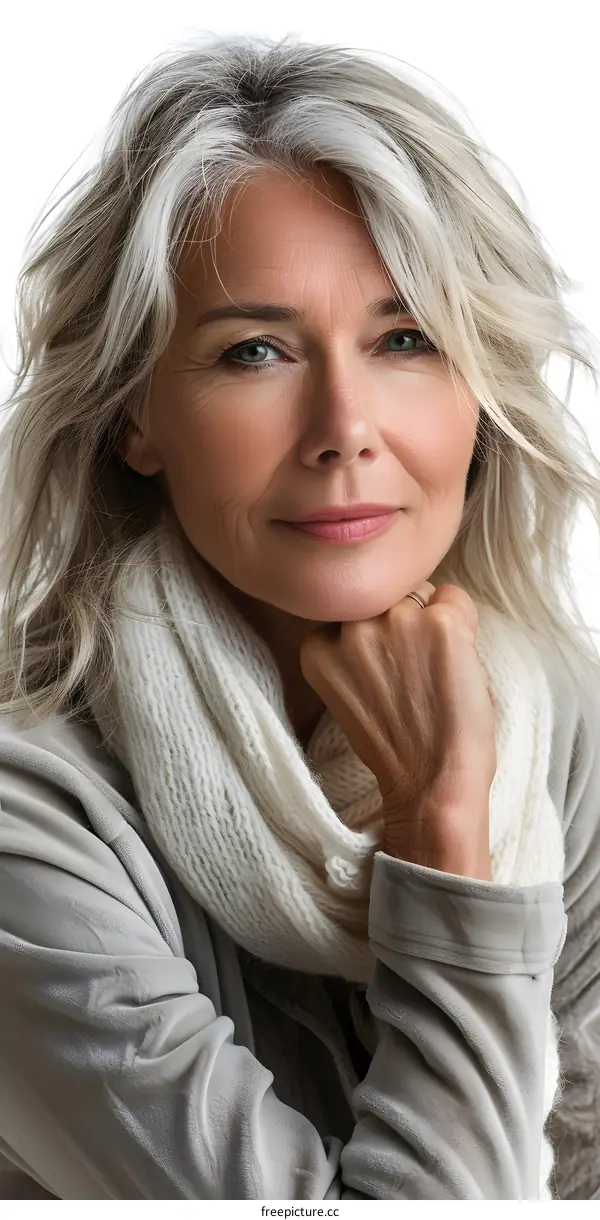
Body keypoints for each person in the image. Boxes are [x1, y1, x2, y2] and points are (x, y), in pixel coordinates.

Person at [0, 32, 599, 1203]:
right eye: (255, 350)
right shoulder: (33, 820)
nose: (344, 425)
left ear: (481, 394)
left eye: (406, 340)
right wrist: (444, 830)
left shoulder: (571, 735)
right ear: (137, 415)